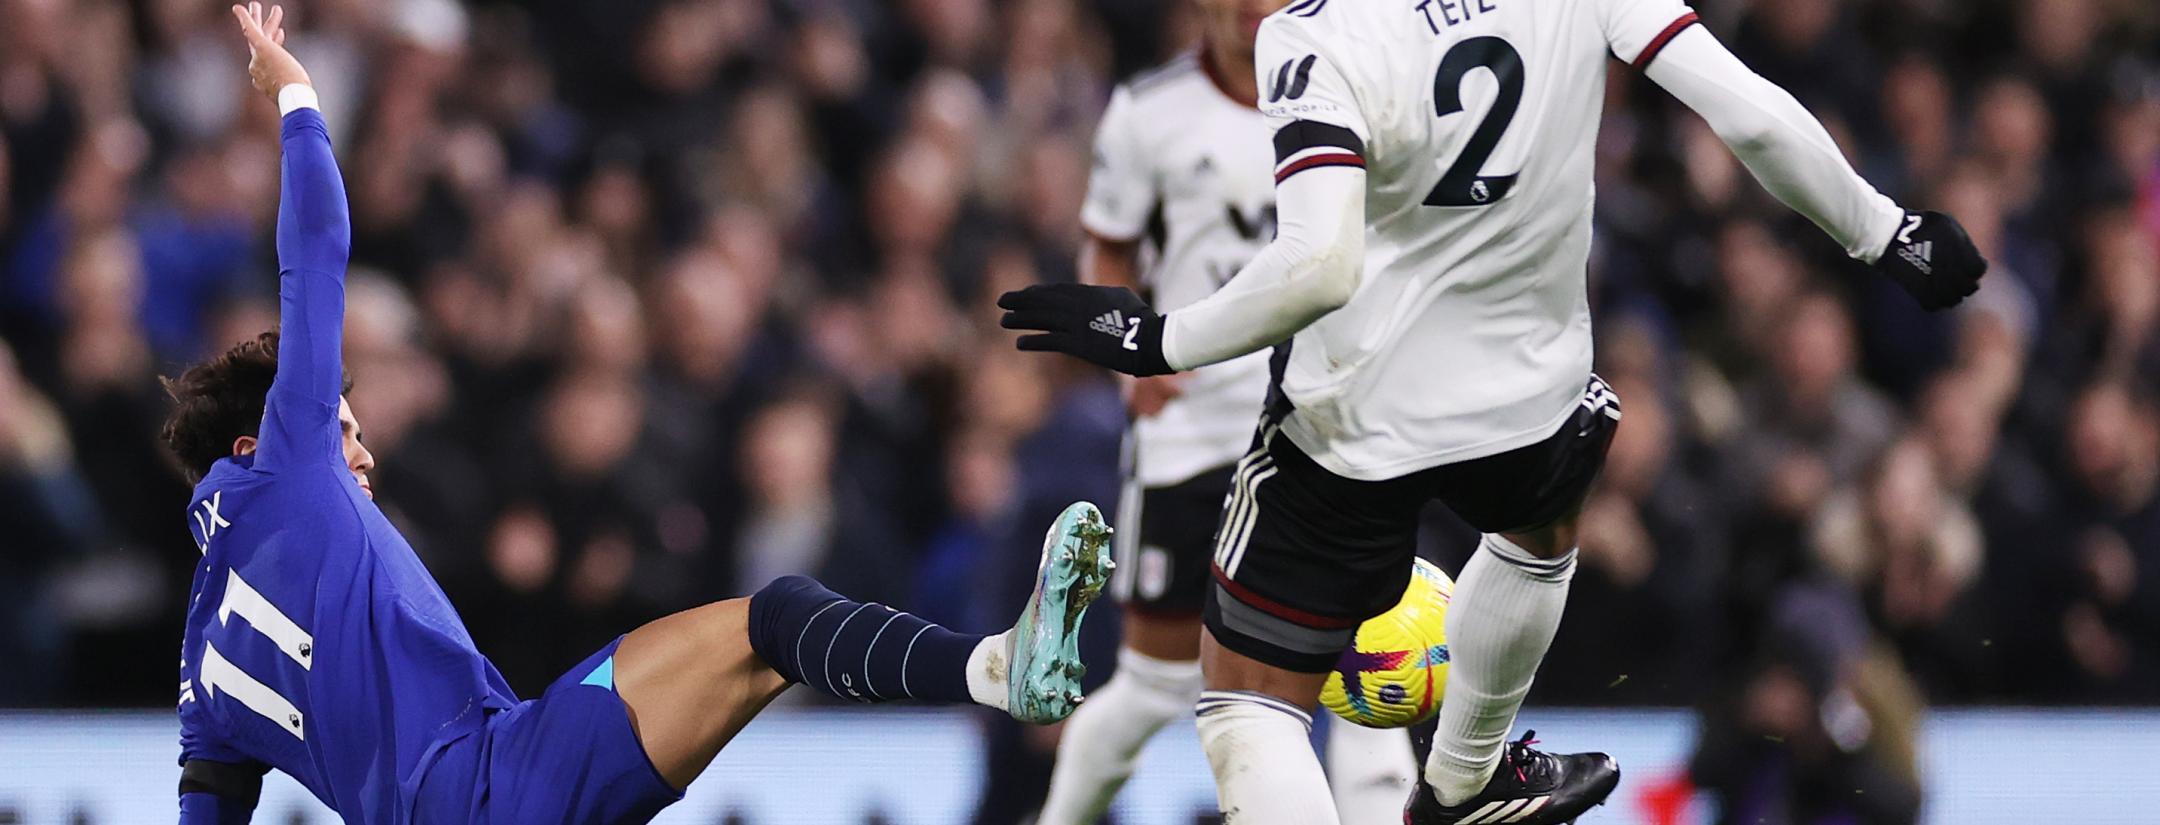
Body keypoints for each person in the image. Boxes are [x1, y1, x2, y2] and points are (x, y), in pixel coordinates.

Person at [997, 0, 1988, 820]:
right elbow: (1750, 116)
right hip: (1534, 401)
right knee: (1535, 536)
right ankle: (1467, 777)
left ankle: (1462, 782)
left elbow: (1321, 265)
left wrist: (1156, 339)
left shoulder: (1316, 29)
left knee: (1247, 701)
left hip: (1357, 422)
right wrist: (1885, 231)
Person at [169, 7, 1113, 824]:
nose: (362, 451)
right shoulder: (289, 473)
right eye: (343, 425)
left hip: (506, 760)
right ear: (260, 441)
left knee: (772, 627)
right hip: (495, 783)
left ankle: (1000, 667)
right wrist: (295, 90)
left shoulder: (202, 660)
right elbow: (318, 245)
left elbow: (206, 804)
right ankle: (993, 666)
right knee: (774, 620)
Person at [1036, 1, 1415, 823]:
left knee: (1366, 669)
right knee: (1155, 685)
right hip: (1191, 432)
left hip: (1326, 429)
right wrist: (1122, 351)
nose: (1253, 6)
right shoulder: (1150, 112)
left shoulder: (1361, 89)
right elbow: (1108, 239)